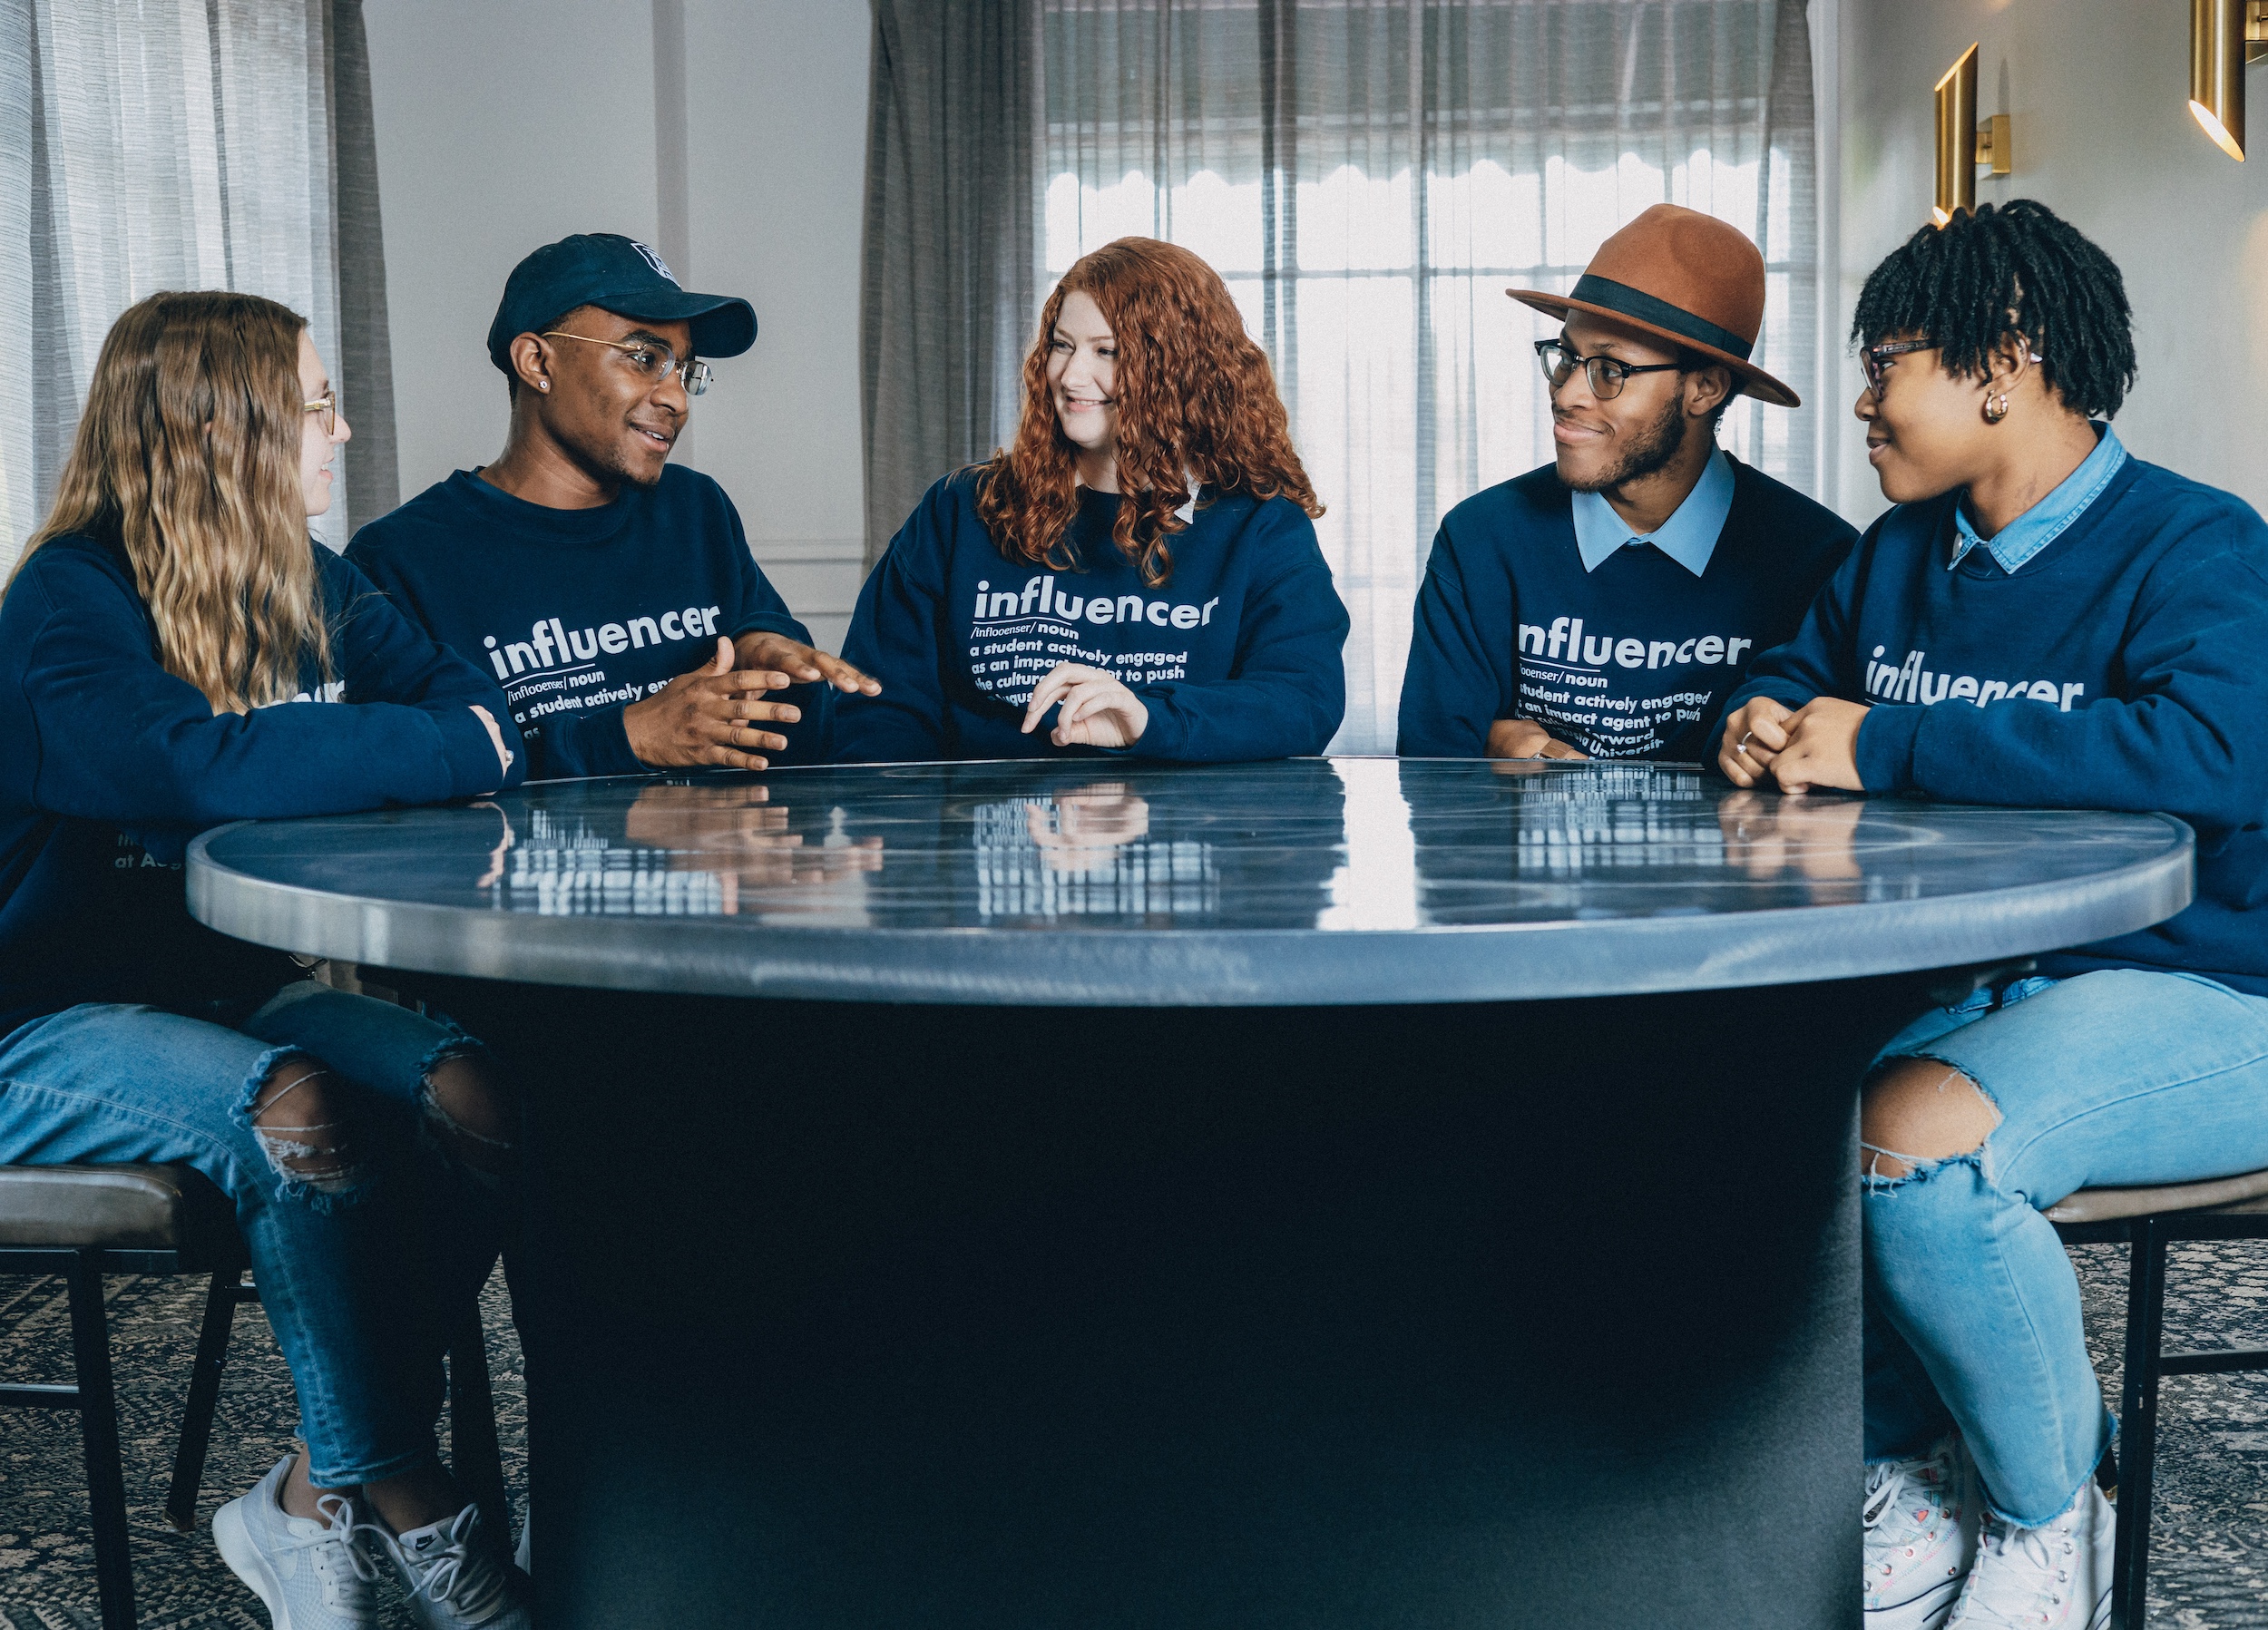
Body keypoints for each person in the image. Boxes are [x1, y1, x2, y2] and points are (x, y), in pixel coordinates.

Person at [1714, 200, 2268, 1629]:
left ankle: (2046, 1513)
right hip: (1990, 982)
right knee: (1747, 1098)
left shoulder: (2198, 546)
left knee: (1911, 1145)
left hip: (2209, 992)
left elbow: (2209, 759)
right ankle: (1909, 1470)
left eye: (1884, 359)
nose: (1860, 397)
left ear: (2002, 361)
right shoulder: (1900, 553)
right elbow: (1794, 665)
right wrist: (1758, 713)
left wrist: (1883, 741)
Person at [0, 291, 537, 1630]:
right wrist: (445, 749)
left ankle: (306, 1489)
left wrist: (451, 740)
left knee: (476, 1093)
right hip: (37, 1021)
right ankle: (412, 1496)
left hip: (218, 990)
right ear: (217, 424)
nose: (342, 431)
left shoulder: (310, 577)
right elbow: (177, 765)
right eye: (314, 401)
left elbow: (475, 704)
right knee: (298, 1109)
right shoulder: (67, 599)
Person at [348, 232, 875, 778]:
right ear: (537, 362)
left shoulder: (696, 511)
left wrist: (767, 658)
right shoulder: (400, 559)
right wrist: (629, 737)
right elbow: (411, 778)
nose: (677, 399)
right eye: (644, 357)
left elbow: (801, 754)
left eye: (683, 369)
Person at [835, 236, 1348, 762]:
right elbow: (878, 712)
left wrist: (1147, 721)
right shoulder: (958, 511)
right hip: (984, 830)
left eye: (1109, 352)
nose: (1072, 377)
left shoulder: (1263, 527)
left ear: (1183, 372)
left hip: (1184, 828)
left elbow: (1302, 701)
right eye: (1062, 345)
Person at [1397, 204, 1855, 764]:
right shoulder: (1481, 540)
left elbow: (1826, 782)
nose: (1566, 394)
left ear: (1705, 389)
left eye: (1610, 370)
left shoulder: (1817, 558)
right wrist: (1489, 754)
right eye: (1566, 357)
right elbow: (1429, 776)